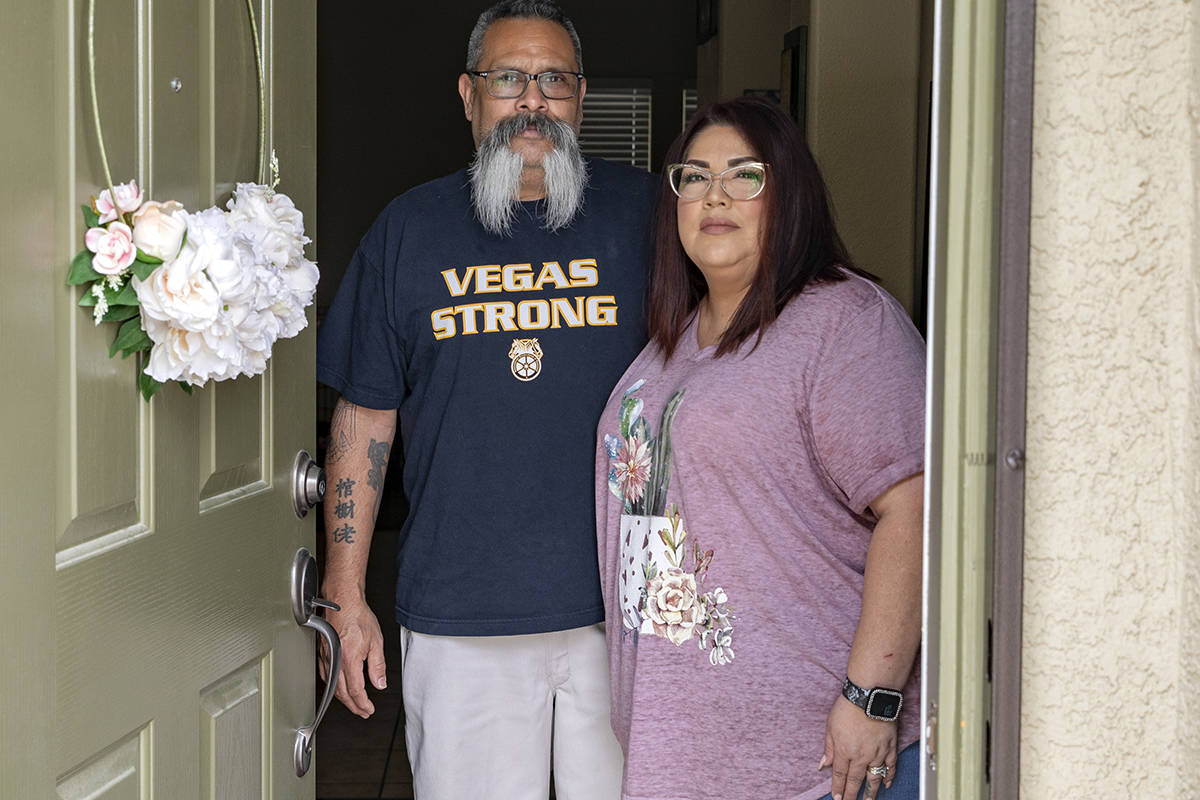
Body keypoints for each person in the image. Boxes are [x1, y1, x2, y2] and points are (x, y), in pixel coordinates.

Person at [316, 2, 656, 798]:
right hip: (461, 612)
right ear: (469, 96)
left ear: (580, 97)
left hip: (633, 614)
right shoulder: (409, 230)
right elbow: (364, 417)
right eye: (509, 79)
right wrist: (344, 589)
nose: (532, 101)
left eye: (554, 80)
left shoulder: (653, 217)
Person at [594, 96, 924, 800]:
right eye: (694, 176)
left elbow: (916, 509)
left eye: (746, 175)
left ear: (790, 194)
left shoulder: (843, 322)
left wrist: (872, 700)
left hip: (808, 761)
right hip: (684, 750)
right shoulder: (673, 341)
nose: (716, 194)